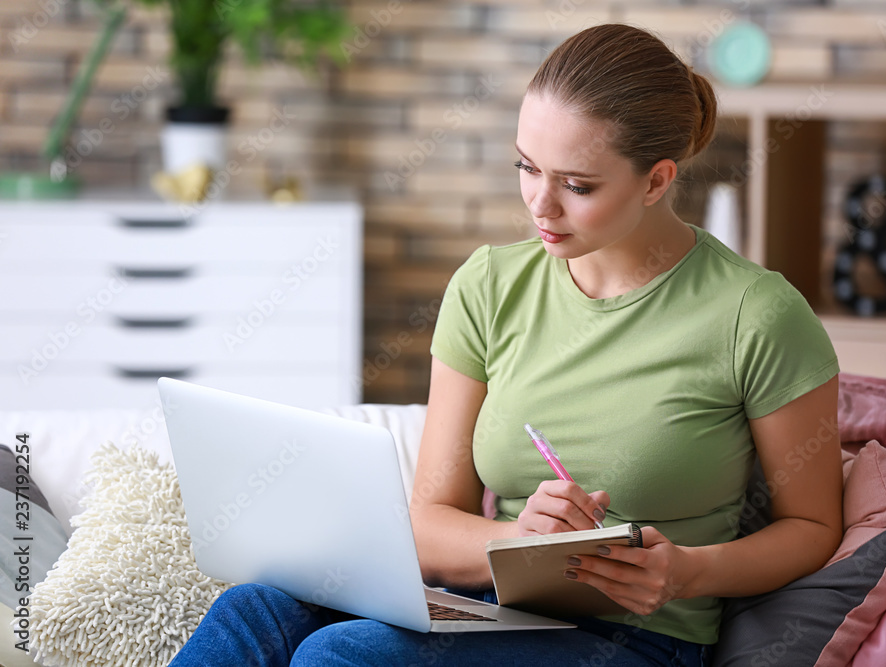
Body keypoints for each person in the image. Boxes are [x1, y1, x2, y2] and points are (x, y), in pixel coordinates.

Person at [169, 23, 843, 667]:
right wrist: (517, 540)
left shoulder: (756, 314)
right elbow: (431, 519)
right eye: (527, 167)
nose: (539, 206)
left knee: (340, 656)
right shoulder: (489, 287)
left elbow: (814, 527)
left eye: (577, 186)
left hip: (637, 639)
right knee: (254, 609)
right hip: (489, 605)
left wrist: (691, 569)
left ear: (657, 180)